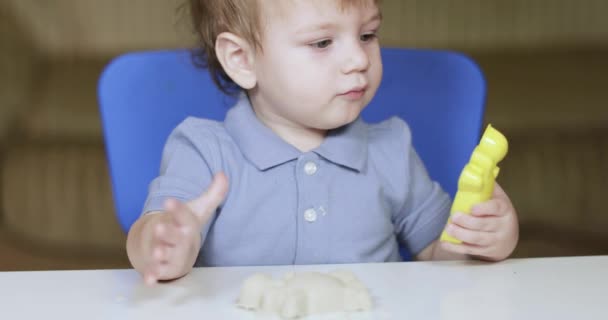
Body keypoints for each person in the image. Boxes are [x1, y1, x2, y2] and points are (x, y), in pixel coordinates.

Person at [126, 0, 519, 285]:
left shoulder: (391, 148)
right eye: (322, 43)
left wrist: (479, 239)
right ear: (242, 60)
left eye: (367, 35)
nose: (358, 60)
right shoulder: (203, 150)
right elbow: (150, 239)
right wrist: (163, 243)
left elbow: (442, 261)